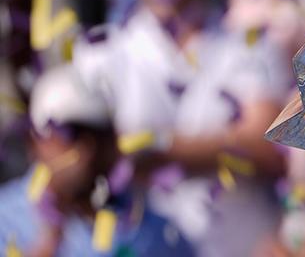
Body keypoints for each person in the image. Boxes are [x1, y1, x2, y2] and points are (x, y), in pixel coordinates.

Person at [69, 0, 292, 256]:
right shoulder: (99, 52)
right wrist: (216, 147)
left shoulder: (250, 44)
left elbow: (267, 148)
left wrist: (154, 149)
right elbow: (82, 156)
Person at [0, 65, 194, 256]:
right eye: (71, 133)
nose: (87, 149)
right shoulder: (5, 220)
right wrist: (51, 240)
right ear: (36, 141)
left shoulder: (154, 231)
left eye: (98, 134)